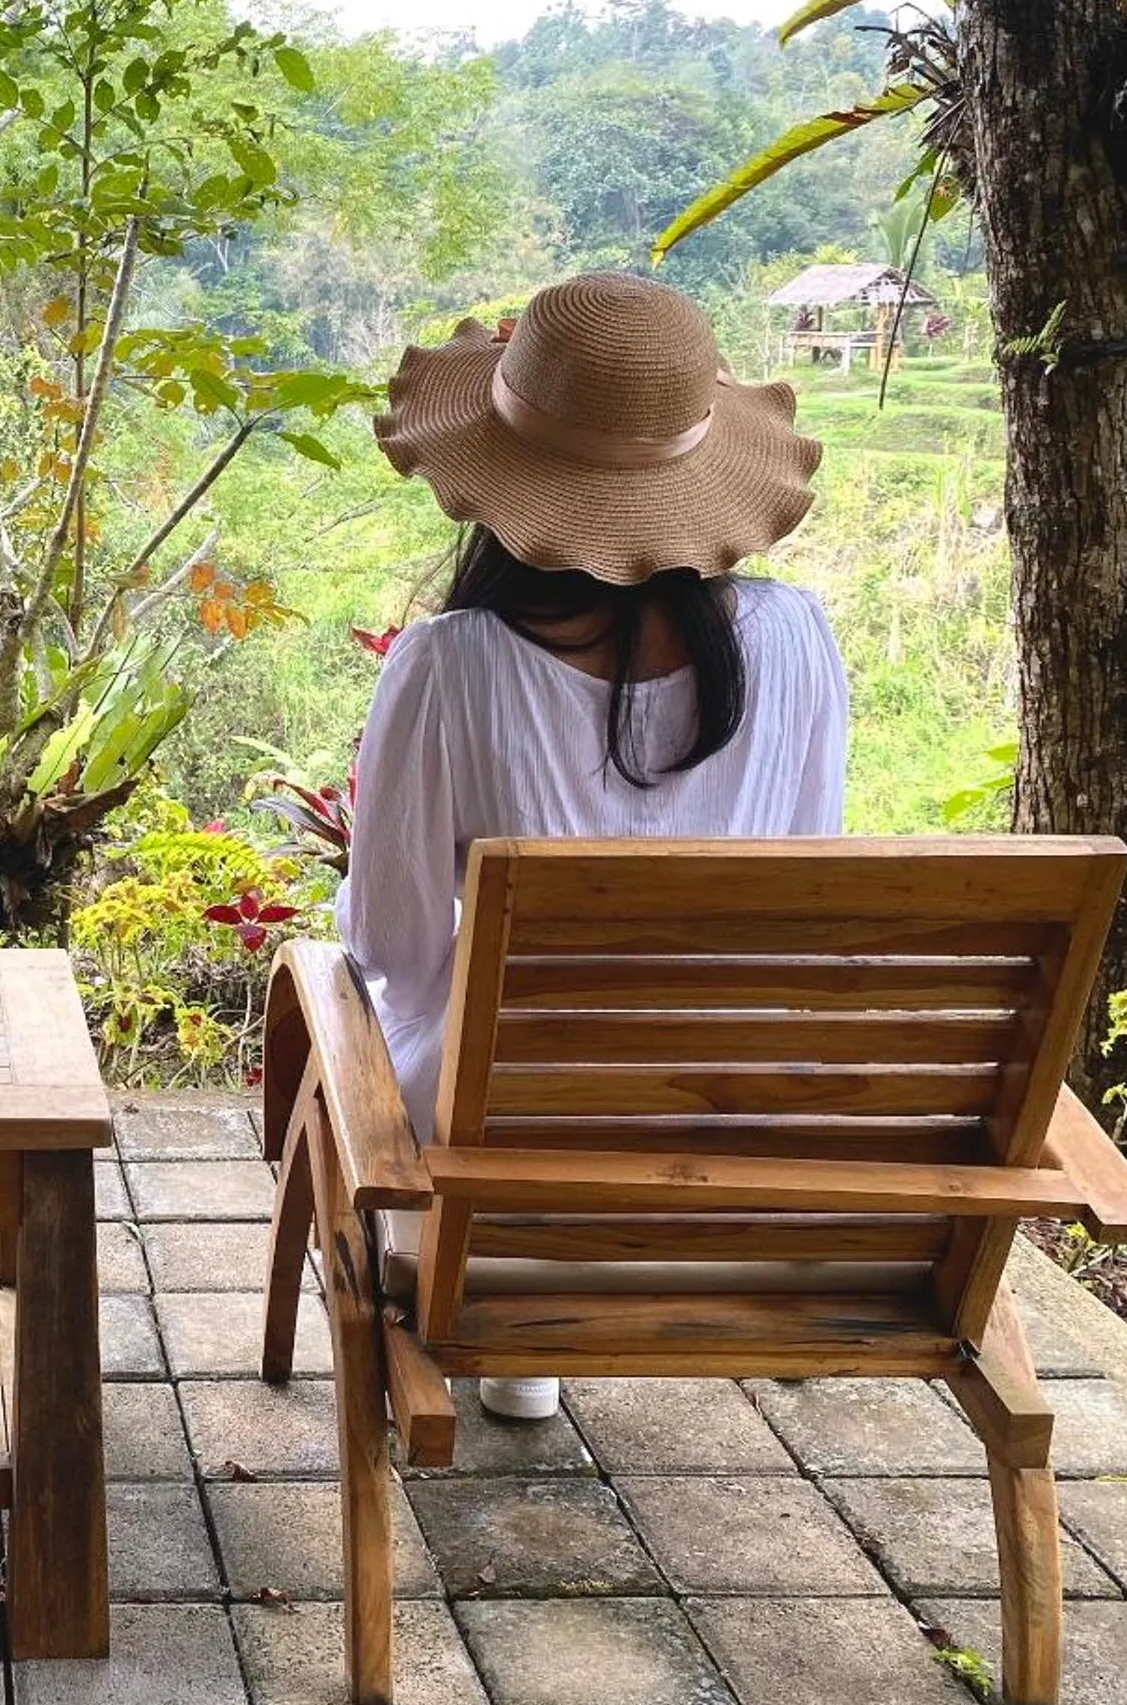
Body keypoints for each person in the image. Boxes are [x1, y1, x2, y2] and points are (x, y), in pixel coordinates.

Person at [338, 272, 846, 1419]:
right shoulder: (798, 640)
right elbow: (808, 881)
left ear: (497, 483)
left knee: (384, 1008)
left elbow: (396, 946)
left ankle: (524, 1331)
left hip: (505, 1145)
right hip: (738, 1119)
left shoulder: (453, 663)